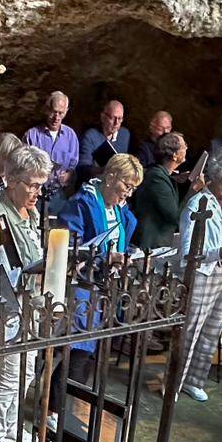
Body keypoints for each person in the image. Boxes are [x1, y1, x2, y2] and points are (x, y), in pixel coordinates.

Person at [0, 145, 51, 442]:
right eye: (32, 184)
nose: (38, 191)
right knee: (10, 373)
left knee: (27, 372)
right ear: (10, 180)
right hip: (10, 307)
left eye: (41, 184)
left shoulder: (31, 212)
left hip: (32, 302)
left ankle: (11, 426)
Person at [173, 147, 222, 402]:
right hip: (203, 274)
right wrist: (217, 253)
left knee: (213, 330)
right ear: (218, 174)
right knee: (191, 330)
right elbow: (187, 253)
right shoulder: (197, 203)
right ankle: (176, 380)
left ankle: (195, 381)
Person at [59, 153, 142, 384]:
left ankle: (72, 401)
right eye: (126, 185)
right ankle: (56, 408)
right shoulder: (82, 202)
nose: (128, 192)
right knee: (79, 350)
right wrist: (106, 257)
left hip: (107, 285)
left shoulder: (118, 209)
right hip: (84, 285)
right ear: (111, 176)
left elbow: (125, 232)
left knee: (94, 351)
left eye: (133, 189)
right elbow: (71, 246)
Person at [132, 132, 189, 251]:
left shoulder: (162, 175)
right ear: (174, 155)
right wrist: (193, 190)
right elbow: (175, 217)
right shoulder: (156, 178)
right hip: (151, 246)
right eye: (183, 146)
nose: (186, 148)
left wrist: (174, 180)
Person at [24, 91, 79, 212]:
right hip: (35, 196)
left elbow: (74, 164)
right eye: (54, 112)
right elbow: (23, 166)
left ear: (66, 111)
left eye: (61, 113)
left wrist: (69, 175)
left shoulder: (70, 136)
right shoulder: (32, 136)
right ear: (46, 109)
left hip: (60, 196)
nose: (57, 118)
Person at [78, 100, 131, 183]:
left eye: (120, 119)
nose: (116, 123)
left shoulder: (124, 135)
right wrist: (104, 170)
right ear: (103, 117)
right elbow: (82, 168)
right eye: (112, 118)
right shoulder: (91, 135)